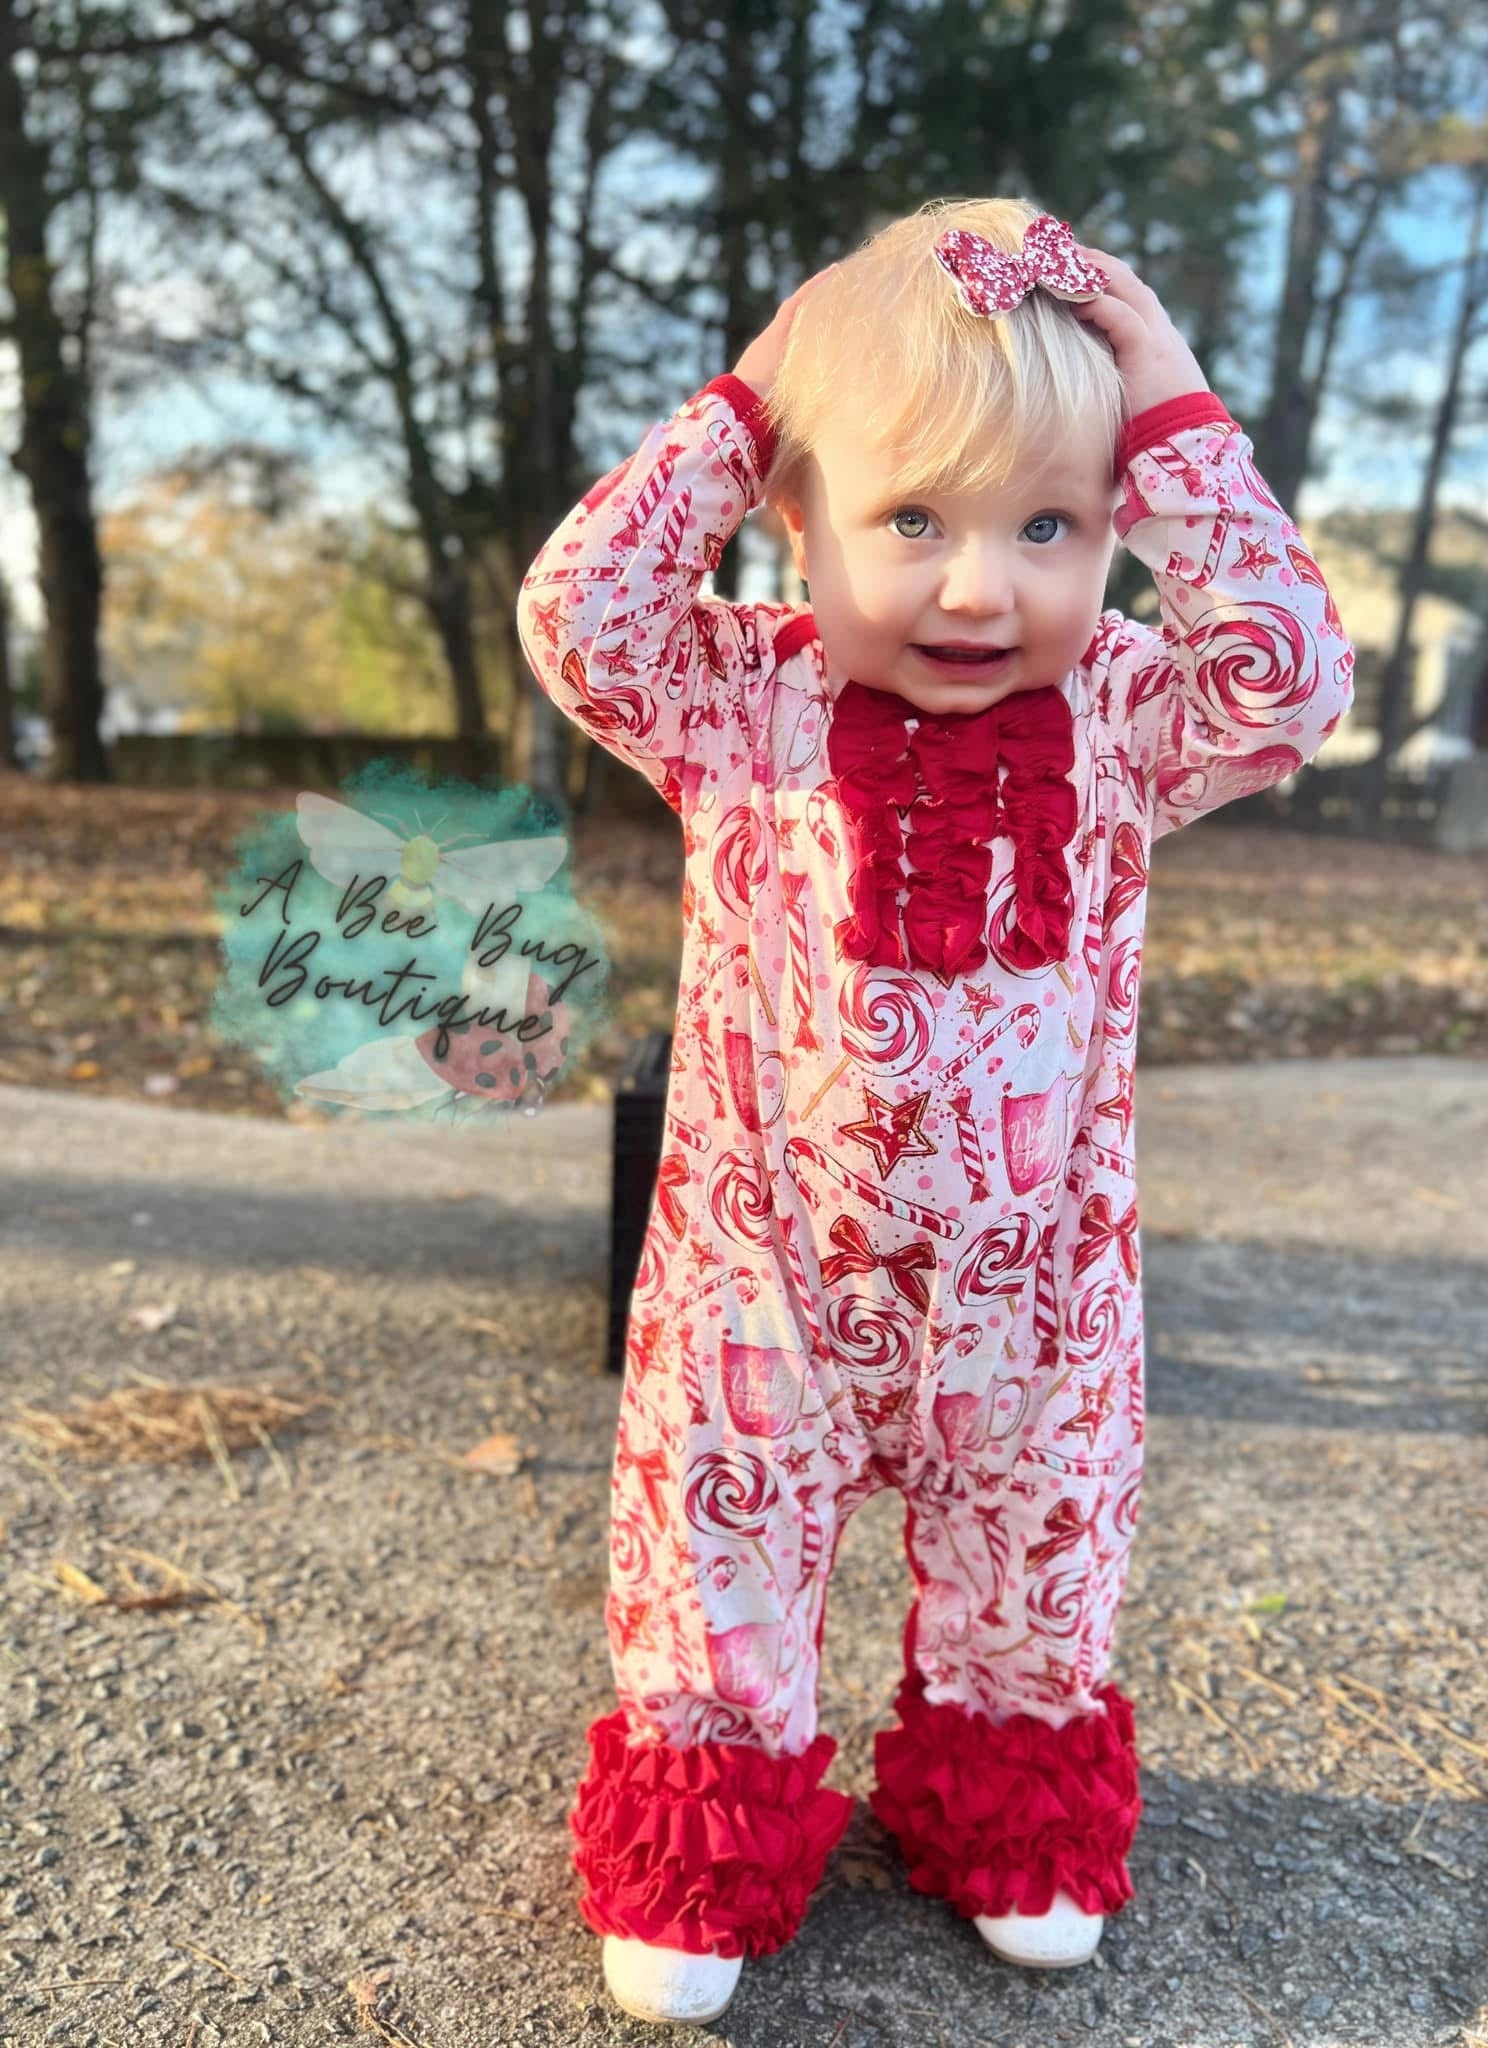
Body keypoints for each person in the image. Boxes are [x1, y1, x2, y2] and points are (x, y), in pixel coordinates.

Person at [515, 194, 1355, 2028]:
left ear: (1118, 529)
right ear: (794, 518)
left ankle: (1007, 1801)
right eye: (913, 520)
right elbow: (576, 612)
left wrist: (1174, 404)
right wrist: (751, 394)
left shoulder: (1131, 711)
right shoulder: (742, 694)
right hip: (768, 1281)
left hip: (1036, 1290)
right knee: (715, 1557)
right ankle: (707, 1841)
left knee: (1041, 1559)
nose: (983, 587)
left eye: (1050, 526)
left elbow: (1292, 683)